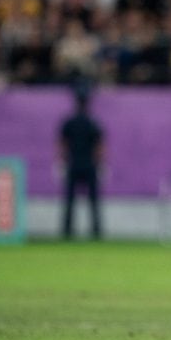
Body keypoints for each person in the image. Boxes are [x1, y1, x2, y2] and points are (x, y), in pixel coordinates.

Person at [59, 89, 104, 239]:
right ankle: (96, 231)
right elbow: (99, 147)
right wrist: (101, 164)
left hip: (74, 163)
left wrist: (61, 161)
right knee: (93, 201)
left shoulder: (69, 123)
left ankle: (67, 231)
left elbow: (63, 145)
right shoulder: (93, 123)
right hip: (89, 165)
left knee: (70, 200)